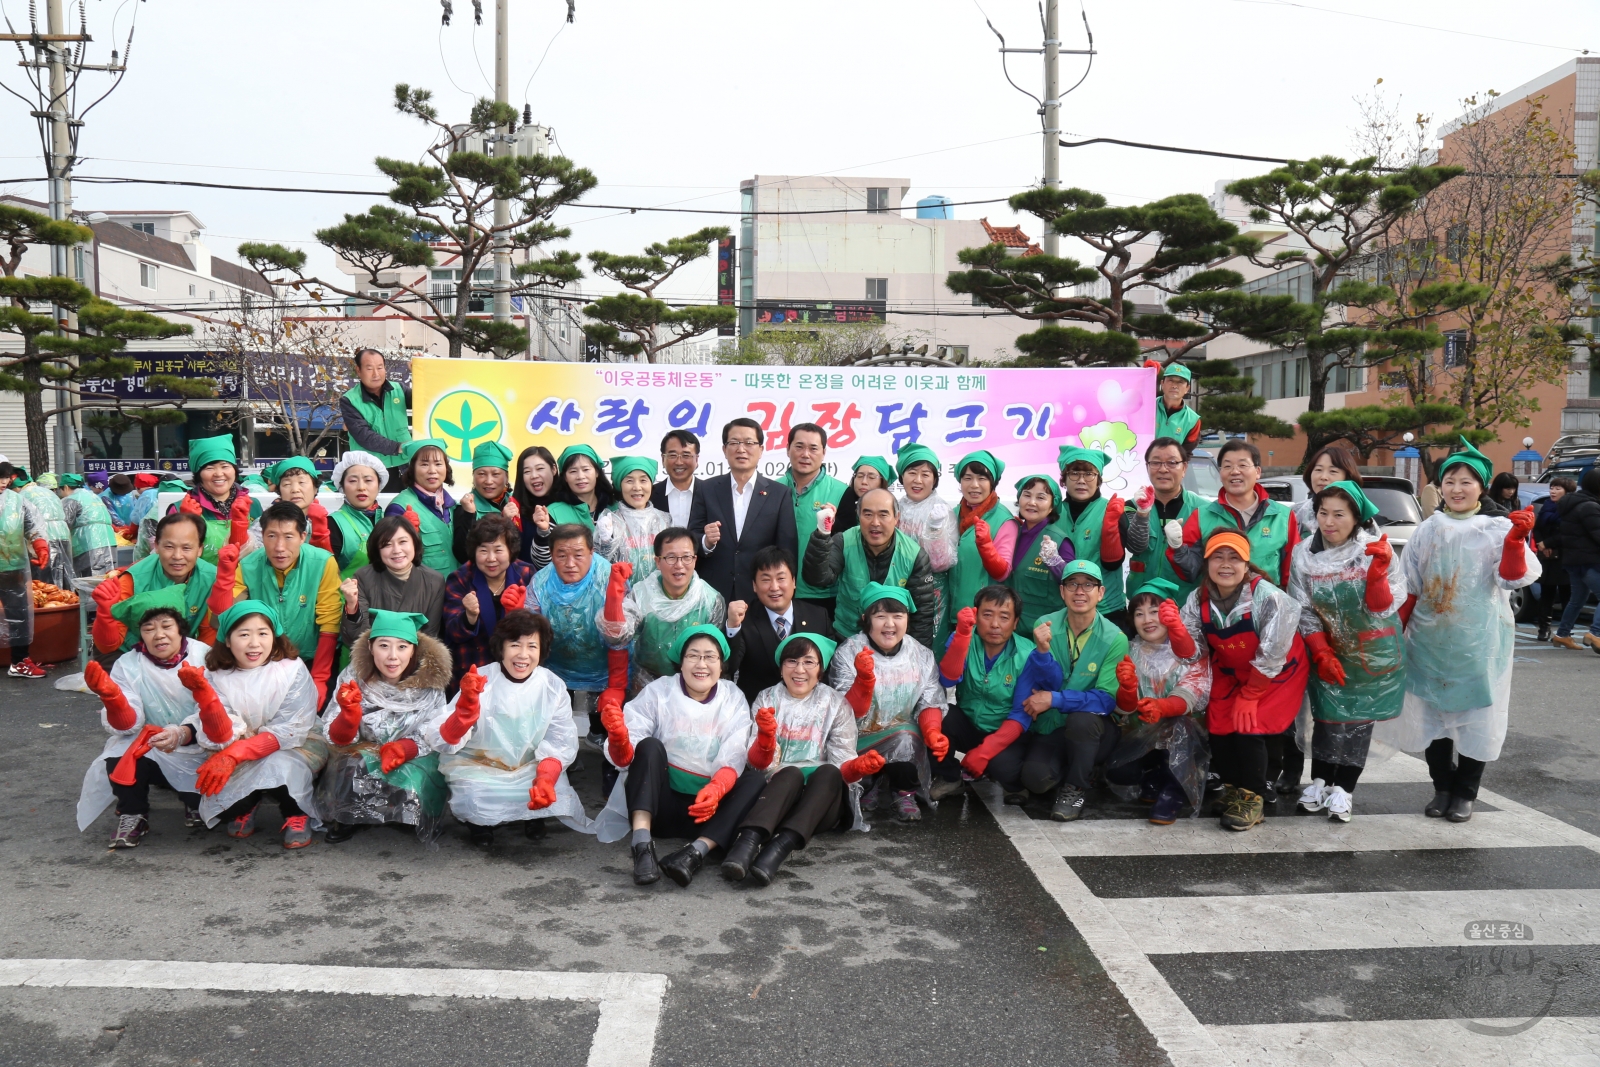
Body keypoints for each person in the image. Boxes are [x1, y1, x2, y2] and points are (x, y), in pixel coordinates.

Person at [1377, 439, 1540, 822]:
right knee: (1434, 718)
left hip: (1481, 640)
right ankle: (1442, 786)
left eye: (1466, 481)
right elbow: (1410, 585)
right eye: (1450, 480)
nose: (1457, 488)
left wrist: (1515, 543)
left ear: (1481, 486)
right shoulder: (1427, 529)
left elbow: (1513, 578)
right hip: (1429, 638)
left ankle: (1466, 792)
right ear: (1440, 486)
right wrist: (1394, 635)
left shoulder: (1498, 527)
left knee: (1477, 717)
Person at [595, 625, 768, 888]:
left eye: (710, 656)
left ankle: (695, 852)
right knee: (650, 746)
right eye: (693, 655)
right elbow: (631, 752)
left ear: (721, 665)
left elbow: (735, 751)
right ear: (681, 661)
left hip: (707, 812)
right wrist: (620, 739)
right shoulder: (659, 691)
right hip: (659, 808)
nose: (702, 664)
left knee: (755, 781)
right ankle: (642, 844)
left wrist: (718, 788)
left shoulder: (732, 697)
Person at [721, 632, 884, 886]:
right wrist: (765, 739)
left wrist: (857, 768)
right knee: (790, 773)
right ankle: (747, 843)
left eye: (809, 662)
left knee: (829, 772)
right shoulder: (767, 698)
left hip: (821, 805)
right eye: (792, 661)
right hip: (776, 798)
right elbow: (757, 765)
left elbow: (842, 762)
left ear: (820, 669)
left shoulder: (835, 702)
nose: (799, 669)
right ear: (781, 666)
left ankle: (779, 848)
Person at [1288, 481, 1407, 823]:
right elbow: (1303, 607)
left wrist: (1377, 575)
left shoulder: (1374, 549)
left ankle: (1345, 789)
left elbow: (1384, 606)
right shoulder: (1304, 554)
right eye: (1323, 513)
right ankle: (1321, 782)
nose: (1329, 522)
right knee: (1326, 718)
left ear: (1356, 518)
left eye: (1339, 514)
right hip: (1326, 646)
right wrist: (1321, 650)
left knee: (1358, 721)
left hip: (1372, 650)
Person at [1180, 530, 1310, 832]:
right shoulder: (1197, 598)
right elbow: (1194, 653)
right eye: (1217, 557)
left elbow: (1273, 652)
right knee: (1220, 723)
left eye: (1234, 557)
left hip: (1276, 672)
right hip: (1231, 667)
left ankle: (1254, 797)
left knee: (1249, 724)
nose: (1225, 565)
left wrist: (1251, 694)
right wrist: (1178, 635)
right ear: (1207, 562)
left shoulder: (1270, 597)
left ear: (1247, 563)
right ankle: (1235, 788)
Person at [427, 610, 588, 846]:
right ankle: (480, 825)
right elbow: (442, 738)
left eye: (532, 646)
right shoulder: (480, 679)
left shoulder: (552, 685)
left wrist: (545, 777)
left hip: (530, 765)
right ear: (500, 647)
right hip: (479, 765)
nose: (523, 655)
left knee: (557, 793)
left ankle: (533, 816)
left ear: (542, 650)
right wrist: (464, 714)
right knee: (475, 801)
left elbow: (560, 739)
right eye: (515, 644)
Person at [179, 600, 328, 848]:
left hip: (291, 744)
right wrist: (205, 698)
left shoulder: (291, 669)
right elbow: (222, 732)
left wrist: (238, 753)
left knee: (280, 764)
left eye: (263, 633)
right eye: (244, 634)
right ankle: (248, 803)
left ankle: (295, 812)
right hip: (234, 743)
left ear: (275, 636)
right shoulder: (215, 674)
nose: (254, 643)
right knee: (224, 804)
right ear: (227, 640)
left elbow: (290, 728)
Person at [991, 560, 1129, 821]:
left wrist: (1055, 699)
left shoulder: (1115, 638)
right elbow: (1039, 681)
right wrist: (1042, 652)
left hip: (1094, 729)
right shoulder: (1046, 625)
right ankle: (1076, 766)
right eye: (1072, 584)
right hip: (1052, 726)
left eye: (1088, 585)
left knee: (1083, 719)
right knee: (1034, 778)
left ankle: (1076, 787)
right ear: (1061, 591)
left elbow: (1105, 700)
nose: (1080, 591)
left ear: (1100, 593)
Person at [75, 597, 211, 848]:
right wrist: (113, 699)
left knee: (211, 805)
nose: (159, 635)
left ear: (180, 628)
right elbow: (129, 725)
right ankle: (133, 814)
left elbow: (220, 709)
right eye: (149, 629)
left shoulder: (205, 655)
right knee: (118, 758)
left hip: (199, 741)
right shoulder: (128, 664)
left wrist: (183, 733)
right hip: (150, 742)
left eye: (167, 626)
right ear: (140, 635)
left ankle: (193, 802)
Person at [318, 610, 450, 843]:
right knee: (350, 765)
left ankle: (417, 816)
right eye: (384, 646)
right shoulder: (353, 677)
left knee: (420, 774)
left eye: (402, 647)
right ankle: (349, 817)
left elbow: (434, 730)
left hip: (416, 752)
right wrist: (349, 716)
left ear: (413, 650)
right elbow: (334, 734)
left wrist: (404, 748)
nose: (392, 656)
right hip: (365, 748)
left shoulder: (431, 683)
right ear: (370, 648)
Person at [828, 582, 948, 823]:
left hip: (901, 733)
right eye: (880, 616)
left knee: (906, 738)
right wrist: (863, 680)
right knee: (858, 767)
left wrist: (933, 731)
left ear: (907, 619)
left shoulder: (921, 655)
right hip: (856, 736)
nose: (890, 624)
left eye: (898, 616)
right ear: (866, 618)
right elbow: (844, 712)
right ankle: (870, 784)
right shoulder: (848, 652)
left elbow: (930, 699)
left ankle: (903, 791)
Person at [216, 500, 342, 709]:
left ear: (303, 537)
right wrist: (225, 576)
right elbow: (225, 618)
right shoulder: (247, 566)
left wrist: (319, 679)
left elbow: (329, 622)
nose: (279, 547)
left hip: (312, 658)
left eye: (289, 537)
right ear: (262, 536)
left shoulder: (322, 562)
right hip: (264, 661)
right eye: (271, 536)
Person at [1107, 578, 1211, 825]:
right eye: (1139, 613)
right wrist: (1128, 689)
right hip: (1141, 734)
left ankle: (1174, 790)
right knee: (1120, 771)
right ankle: (1153, 775)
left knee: (1179, 727)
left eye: (1155, 611)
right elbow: (1123, 707)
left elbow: (1190, 695)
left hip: (1186, 737)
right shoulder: (1129, 650)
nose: (1147, 620)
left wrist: (1162, 707)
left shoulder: (1192, 650)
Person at [930, 584, 1032, 801]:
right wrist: (963, 635)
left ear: (1015, 623)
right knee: (939, 714)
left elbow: (1021, 714)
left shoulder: (1027, 654)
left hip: (1007, 733)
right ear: (976, 616)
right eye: (987, 615)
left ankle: (1012, 784)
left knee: (1002, 767)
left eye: (1004, 617)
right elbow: (947, 679)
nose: (995, 624)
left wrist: (985, 752)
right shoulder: (964, 636)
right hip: (970, 725)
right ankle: (950, 778)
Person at [802, 487, 940, 646]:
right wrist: (822, 534)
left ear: (896, 518)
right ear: (858, 516)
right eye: (868, 514)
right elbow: (817, 578)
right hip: (847, 638)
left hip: (892, 644)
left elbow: (922, 615)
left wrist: (917, 657)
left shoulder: (914, 555)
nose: (875, 522)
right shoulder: (843, 541)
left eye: (883, 514)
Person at [598, 527, 725, 696]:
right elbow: (616, 636)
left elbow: (715, 655)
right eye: (671, 557)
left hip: (694, 687)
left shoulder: (711, 600)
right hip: (647, 685)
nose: (679, 565)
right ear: (658, 561)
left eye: (686, 557)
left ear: (695, 559)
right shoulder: (641, 594)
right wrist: (614, 594)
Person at [688, 418, 799, 606]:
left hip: (760, 593)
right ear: (724, 450)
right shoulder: (706, 489)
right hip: (713, 592)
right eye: (734, 443)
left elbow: (786, 549)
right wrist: (706, 542)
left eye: (749, 443)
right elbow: (691, 537)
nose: (741, 449)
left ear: (761, 450)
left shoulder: (779, 494)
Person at [1170, 439, 1299, 593]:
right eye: (1227, 466)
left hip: (1267, 608)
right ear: (1220, 473)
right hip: (1217, 608)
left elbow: (1293, 573)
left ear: (1258, 472)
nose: (1235, 471)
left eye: (1242, 465)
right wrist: (1177, 548)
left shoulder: (1282, 517)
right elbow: (1189, 572)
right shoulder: (1201, 516)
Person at [92, 513, 217, 662]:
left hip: (182, 652)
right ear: (156, 546)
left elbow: (208, 633)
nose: (177, 556)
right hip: (130, 652)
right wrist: (104, 613)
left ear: (200, 549)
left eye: (186, 548)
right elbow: (108, 646)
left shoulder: (211, 579)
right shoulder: (133, 579)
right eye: (169, 547)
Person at [529, 523, 613, 742]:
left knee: (602, 719)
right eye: (561, 555)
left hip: (601, 664)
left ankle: (602, 746)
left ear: (591, 552)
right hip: (557, 664)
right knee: (558, 717)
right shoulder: (541, 582)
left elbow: (624, 627)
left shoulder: (608, 577)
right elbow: (530, 627)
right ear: (551, 555)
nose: (570, 564)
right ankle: (563, 756)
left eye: (578, 555)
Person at [1055, 445, 1147, 633]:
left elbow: (1112, 563)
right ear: (1064, 479)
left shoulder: (1111, 509)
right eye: (1074, 473)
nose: (1081, 480)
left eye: (1089, 474)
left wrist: (1111, 525)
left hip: (1107, 609)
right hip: (1064, 609)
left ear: (1098, 480)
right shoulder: (1053, 512)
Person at [724, 545, 830, 704]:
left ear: (793, 581)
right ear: (754, 585)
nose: (774, 587)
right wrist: (732, 627)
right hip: (760, 709)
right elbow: (728, 667)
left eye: (781, 578)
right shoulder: (743, 619)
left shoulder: (818, 616)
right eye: (766, 579)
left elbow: (826, 671)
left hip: (810, 710)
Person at [443, 514, 535, 690]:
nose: (491, 558)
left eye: (498, 550)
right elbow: (453, 632)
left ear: (511, 550)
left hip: (517, 670)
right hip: (473, 671)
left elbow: (538, 629)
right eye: (483, 550)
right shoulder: (460, 578)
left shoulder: (526, 573)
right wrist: (469, 617)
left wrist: (520, 612)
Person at [339, 515, 448, 648]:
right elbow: (356, 639)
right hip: (372, 659)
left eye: (403, 542)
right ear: (377, 550)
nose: (396, 550)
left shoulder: (434, 581)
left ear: (415, 542)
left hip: (415, 660)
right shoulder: (363, 577)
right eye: (387, 544)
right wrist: (351, 606)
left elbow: (430, 635)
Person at [947, 451, 1017, 643]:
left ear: (992, 483)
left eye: (982, 478)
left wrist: (985, 545)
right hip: (950, 614)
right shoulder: (950, 515)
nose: (974, 485)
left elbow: (1002, 573)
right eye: (967, 478)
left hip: (983, 618)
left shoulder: (1004, 521)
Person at [780, 422, 847, 618]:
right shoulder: (772, 489)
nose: (805, 454)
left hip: (823, 595)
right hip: (777, 592)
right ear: (787, 449)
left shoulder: (842, 492)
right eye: (799, 446)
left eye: (813, 448)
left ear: (824, 452)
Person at [163, 434, 261, 566]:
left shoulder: (253, 505)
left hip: (245, 584)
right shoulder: (180, 508)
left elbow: (262, 553)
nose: (219, 473)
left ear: (234, 470)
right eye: (209, 468)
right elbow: (170, 556)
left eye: (225, 466)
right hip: (197, 584)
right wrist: (186, 521)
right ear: (198, 474)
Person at [1127, 438, 1203, 606]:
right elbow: (1135, 547)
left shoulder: (1203, 510)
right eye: (1155, 462)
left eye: (1172, 462)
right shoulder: (1131, 505)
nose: (1163, 469)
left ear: (1184, 468)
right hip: (1142, 602)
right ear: (1147, 467)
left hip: (1186, 603)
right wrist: (1142, 513)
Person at [893, 443, 958, 635]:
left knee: (929, 645)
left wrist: (934, 530)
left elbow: (942, 563)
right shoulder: (894, 508)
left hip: (932, 593)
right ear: (902, 477)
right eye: (912, 472)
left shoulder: (942, 511)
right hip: (897, 587)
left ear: (935, 479)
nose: (918, 480)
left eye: (925, 474)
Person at [0, 461, 49, 677]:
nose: (4, 482)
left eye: (6, 477)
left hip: (13, 567)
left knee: (18, 615)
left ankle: (19, 661)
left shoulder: (17, 501)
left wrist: (40, 545)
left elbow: (33, 525)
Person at [1007, 474, 1074, 631]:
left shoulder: (1058, 540)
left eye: (1041, 497)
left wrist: (1056, 563)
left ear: (1052, 505)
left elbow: (1072, 583)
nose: (1032, 502)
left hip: (1044, 631)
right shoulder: (1011, 533)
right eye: (1027, 495)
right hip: (1008, 629)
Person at [383, 438, 460, 576]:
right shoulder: (399, 508)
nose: (432, 470)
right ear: (411, 469)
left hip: (457, 591)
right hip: (422, 593)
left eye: (438, 464)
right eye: (424, 464)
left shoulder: (455, 506)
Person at [594, 456, 671, 588]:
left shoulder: (664, 520)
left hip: (658, 598)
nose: (637, 487)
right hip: (622, 598)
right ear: (620, 485)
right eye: (629, 481)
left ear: (651, 484)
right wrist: (605, 542)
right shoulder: (610, 521)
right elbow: (599, 567)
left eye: (643, 480)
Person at [338, 348, 411, 483]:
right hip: (371, 470)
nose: (376, 374)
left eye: (380, 367)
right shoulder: (349, 400)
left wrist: (420, 372)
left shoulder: (399, 390)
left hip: (406, 465)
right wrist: (398, 447)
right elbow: (364, 435)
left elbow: (425, 402)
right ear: (359, 371)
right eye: (369, 368)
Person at [1551, 467, 1600, 652]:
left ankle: (1562, 635)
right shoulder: (1590, 506)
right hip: (1589, 561)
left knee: (1577, 599)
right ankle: (1596, 633)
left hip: (1573, 560)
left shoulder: (1573, 504)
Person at [451, 441, 523, 567]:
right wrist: (503, 520)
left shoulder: (515, 502)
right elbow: (462, 555)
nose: (489, 481)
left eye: (495, 474)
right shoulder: (465, 507)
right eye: (481, 474)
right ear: (473, 477)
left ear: (506, 477)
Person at [326, 451, 388, 577]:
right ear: (342, 486)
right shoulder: (333, 523)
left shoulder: (389, 519)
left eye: (368, 480)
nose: (361, 487)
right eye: (353, 481)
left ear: (379, 484)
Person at [1533, 477, 1574, 642]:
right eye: (1552, 488)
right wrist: (1542, 544)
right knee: (1546, 594)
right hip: (1547, 556)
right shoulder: (1546, 507)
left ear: (1567, 491)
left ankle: (1565, 630)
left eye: (1557, 488)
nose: (1553, 491)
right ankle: (1543, 629)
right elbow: (1537, 527)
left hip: (1565, 556)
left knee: (1567, 594)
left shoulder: (1571, 509)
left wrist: (1548, 543)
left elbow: (1568, 531)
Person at [19, 471, 74, 592]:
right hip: (63, 535)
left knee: (44, 581)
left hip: (44, 536)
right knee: (65, 574)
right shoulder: (49, 493)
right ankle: (69, 606)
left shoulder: (21, 495)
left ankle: (51, 607)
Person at [263, 457, 331, 553]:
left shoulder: (331, 523)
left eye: (302, 482)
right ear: (279, 491)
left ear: (315, 488)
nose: (295, 489)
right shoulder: (267, 521)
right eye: (287, 484)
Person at [57, 472, 118, 576]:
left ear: (66, 487)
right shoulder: (94, 496)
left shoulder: (70, 500)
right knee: (109, 580)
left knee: (90, 582)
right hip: (110, 544)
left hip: (88, 546)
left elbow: (64, 526)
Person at [511, 444, 559, 568]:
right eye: (527, 471)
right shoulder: (514, 509)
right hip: (524, 583)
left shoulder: (567, 507)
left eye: (540, 468)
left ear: (553, 469)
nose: (534, 475)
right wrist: (506, 522)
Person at [1296, 445, 1364, 533]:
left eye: (1333, 471)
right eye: (1318, 469)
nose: (1323, 477)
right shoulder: (1295, 512)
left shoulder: (1358, 513)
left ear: (1347, 477)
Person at [548, 444, 613, 529]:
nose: (580, 476)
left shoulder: (614, 508)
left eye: (586, 470)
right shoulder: (554, 512)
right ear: (565, 477)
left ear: (597, 472)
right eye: (573, 471)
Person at [833, 455, 894, 536]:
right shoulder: (842, 507)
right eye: (860, 476)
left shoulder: (891, 508)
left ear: (882, 482)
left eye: (871, 477)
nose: (864, 481)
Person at [651, 430, 701, 528]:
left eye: (686, 455)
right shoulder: (649, 495)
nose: (679, 462)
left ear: (696, 459)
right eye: (672, 455)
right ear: (662, 459)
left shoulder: (711, 494)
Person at [1149, 360, 1201, 454]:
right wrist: (1145, 375)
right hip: (1142, 464)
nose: (1174, 386)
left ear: (1187, 388)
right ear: (1162, 383)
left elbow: (1185, 454)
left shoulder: (1193, 420)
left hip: (1171, 467)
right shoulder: (1147, 406)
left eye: (1180, 382)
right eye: (1170, 380)